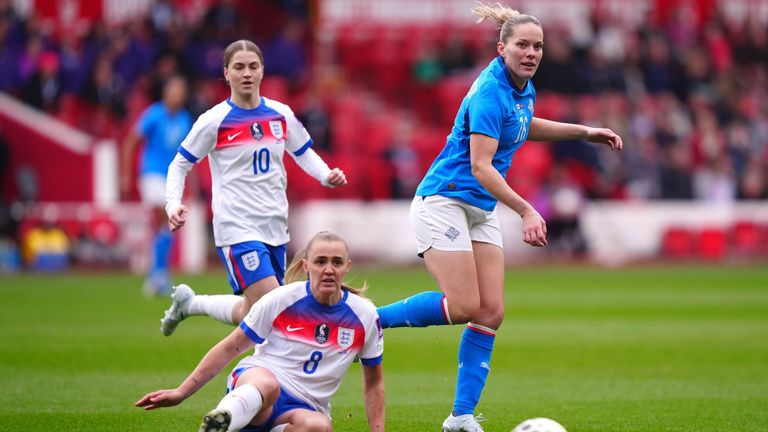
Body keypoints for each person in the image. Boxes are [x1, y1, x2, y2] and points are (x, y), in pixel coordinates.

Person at [374, 4, 623, 432]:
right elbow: (480, 166)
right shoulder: (491, 90)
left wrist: (584, 131)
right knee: (466, 304)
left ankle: (460, 417)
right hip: (444, 200)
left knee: (489, 312)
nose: (532, 53)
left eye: (538, 46)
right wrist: (527, 208)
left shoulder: (520, 87)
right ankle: (369, 319)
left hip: (478, 207)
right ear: (501, 47)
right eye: (523, 45)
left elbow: (523, 125)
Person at [160, 40, 347, 336]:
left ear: (262, 71)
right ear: (226, 73)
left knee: (253, 310)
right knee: (276, 305)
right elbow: (179, 165)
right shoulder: (214, 121)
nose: (246, 73)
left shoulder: (280, 114)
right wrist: (172, 203)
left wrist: (326, 175)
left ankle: (191, 304)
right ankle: (314, 352)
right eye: (239, 67)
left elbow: (303, 152)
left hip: (274, 225)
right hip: (237, 228)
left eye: (253, 66)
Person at [136, 231, 385, 432]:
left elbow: (374, 382)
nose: (328, 269)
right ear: (306, 265)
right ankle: (221, 422)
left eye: (336, 262)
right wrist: (181, 392)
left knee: (320, 427)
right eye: (321, 261)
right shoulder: (282, 299)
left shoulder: (364, 315)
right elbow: (230, 348)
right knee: (268, 384)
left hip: (304, 408)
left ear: (347, 267)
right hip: (257, 384)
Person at [121, 75, 193, 296]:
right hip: (151, 173)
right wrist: (125, 174)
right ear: (166, 93)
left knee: (168, 223)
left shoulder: (185, 119)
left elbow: (191, 154)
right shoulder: (154, 114)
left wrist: (191, 182)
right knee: (163, 217)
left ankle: (157, 273)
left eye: (181, 92)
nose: (177, 96)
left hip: (172, 177)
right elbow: (132, 140)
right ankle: (158, 274)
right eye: (174, 91)